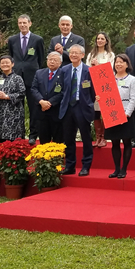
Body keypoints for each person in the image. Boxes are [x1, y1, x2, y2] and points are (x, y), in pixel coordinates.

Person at [7, 14, 45, 145]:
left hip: (32, 77)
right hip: (17, 77)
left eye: (24, 23)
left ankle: (33, 135)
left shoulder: (37, 39)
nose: (22, 25)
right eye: (20, 23)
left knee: (34, 107)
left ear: (30, 23)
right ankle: (18, 134)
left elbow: (41, 59)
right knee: (17, 106)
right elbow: (11, 57)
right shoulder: (12, 40)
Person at [58, 44, 95, 176]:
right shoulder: (64, 70)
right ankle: (70, 165)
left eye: (76, 53)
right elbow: (61, 89)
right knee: (68, 138)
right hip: (68, 107)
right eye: (71, 53)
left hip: (82, 107)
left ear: (82, 55)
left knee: (86, 137)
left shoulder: (88, 70)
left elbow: (93, 92)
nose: (73, 55)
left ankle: (86, 165)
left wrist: (89, 103)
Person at [100, 54, 135, 179]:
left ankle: (124, 169)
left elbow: (133, 98)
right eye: (117, 62)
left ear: (127, 64)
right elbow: (105, 96)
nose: (119, 64)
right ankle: (116, 169)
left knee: (126, 142)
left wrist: (127, 113)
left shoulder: (132, 80)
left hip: (126, 114)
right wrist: (99, 98)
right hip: (112, 114)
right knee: (114, 142)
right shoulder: (108, 79)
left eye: (122, 62)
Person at [0, 56, 26, 142]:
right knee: (0, 140)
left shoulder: (17, 78)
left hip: (14, 113)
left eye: (7, 62)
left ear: (12, 64)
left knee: (14, 138)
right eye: (2, 63)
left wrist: (7, 96)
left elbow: (22, 93)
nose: (5, 64)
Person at [86, 32, 115, 148]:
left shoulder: (110, 55)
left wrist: (98, 66)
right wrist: (93, 67)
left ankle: (104, 137)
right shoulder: (91, 55)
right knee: (95, 111)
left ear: (106, 41)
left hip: (105, 86)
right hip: (93, 85)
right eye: (98, 38)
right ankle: (98, 137)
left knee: (104, 112)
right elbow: (87, 69)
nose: (100, 40)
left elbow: (111, 71)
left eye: (102, 39)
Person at [30, 52, 64, 144]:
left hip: (56, 111)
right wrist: (41, 101)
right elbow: (34, 88)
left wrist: (50, 103)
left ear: (60, 63)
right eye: (50, 59)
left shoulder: (64, 74)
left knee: (58, 141)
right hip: (41, 111)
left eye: (55, 60)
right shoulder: (39, 73)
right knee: (44, 141)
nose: (52, 62)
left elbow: (64, 91)